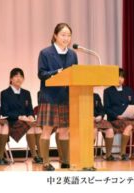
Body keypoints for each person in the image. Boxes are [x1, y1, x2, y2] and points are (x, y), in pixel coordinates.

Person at [37, 23, 78, 171]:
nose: (66, 38)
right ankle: (45, 163)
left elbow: (76, 75)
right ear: (55, 35)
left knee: (65, 130)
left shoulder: (73, 54)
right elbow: (41, 74)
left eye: (68, 35)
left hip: (66, 97)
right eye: (63, 35)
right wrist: (56, 72)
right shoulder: (45, 53)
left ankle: (65, 161)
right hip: (50, 97)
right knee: (47, 129)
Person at [1, 68, 43, 164]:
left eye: (21, 76)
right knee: (30, 127)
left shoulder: (26, 93)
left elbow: (30, 109)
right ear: (11, 79)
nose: (19, 78)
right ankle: (35, 156)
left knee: (37, 127)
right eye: (16, 76)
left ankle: (41, 156)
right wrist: (19, 117)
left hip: (26, 122)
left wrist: (31, 116)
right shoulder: (5, 93)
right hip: (12, 123)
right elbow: (4, 112)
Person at [104, 68, 134, 161]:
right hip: (116, 119)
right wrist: (117, 116)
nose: (120, 79)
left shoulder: (128, 90)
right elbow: (106, 108)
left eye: (122, 77)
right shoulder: (108, 91)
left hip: (129, 118)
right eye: (118, 77)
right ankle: (122, 153)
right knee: (129, 126)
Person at [93, 93, 116, 161]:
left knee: (110, 129)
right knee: (94, 129)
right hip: (86, 119)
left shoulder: (96, 95)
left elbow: (102, 110)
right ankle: (88, 154)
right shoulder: (79, 95)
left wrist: (100, 116)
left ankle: (108, 154)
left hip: (98, 119)